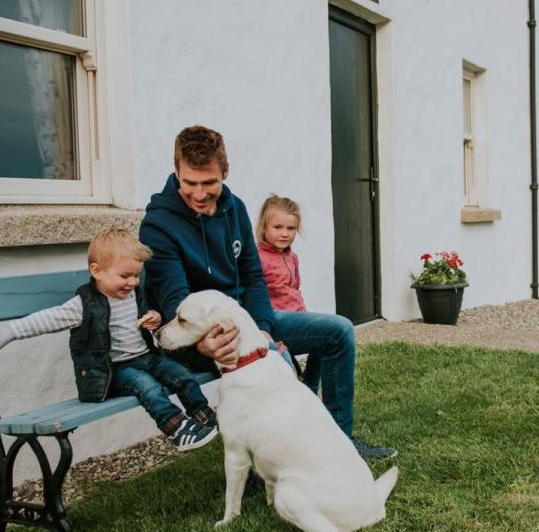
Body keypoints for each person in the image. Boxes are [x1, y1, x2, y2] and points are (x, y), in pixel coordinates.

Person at [140, 125, 397, 459]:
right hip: (192, 336)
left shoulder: (236, 210)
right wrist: (209, 343)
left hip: (246, 323)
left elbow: (252, 278)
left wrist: (262, 329)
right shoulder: (158, 224)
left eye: (209, 183)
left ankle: (338, 444)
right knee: (276, 362)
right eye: (190, 183)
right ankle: (278, 458)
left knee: (338, 332)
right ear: (176, 172)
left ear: (225, 172)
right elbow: (176, 299)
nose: (200, 194)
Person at [0, 228, 219, 452]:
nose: (132, 282)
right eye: (125, 276)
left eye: (136, 276)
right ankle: (177, 430)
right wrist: (0, 337)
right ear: (96, 271)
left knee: (181, 374)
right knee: (148, 387)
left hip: (146, 357)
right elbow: (41, 320)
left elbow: (148, 314)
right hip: (113, 371)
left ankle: (204, 417)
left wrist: (153, 317)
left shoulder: (133, 294)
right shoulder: (83, 305)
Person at [256, 194, 306, 313]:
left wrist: (303, 311)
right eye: (278, 227)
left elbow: (295, 289)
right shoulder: (258, 257)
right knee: (341, 326)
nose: (285, 234)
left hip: (298, 313)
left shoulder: (292, 257)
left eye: (290, 228)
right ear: (263, 227)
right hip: (275, 316)